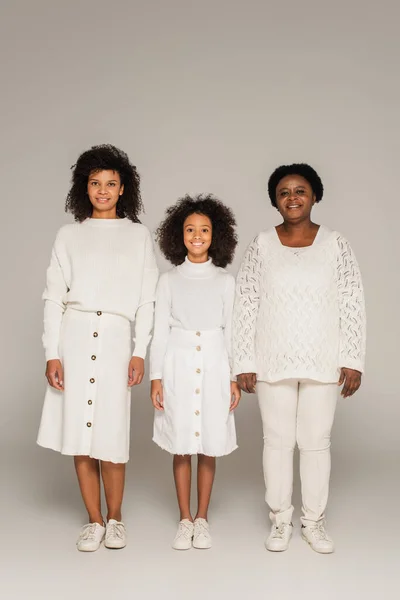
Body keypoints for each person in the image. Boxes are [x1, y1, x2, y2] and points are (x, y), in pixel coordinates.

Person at [233, 163, 366, 554]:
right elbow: (246, 302)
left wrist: (353, 358)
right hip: (272, 357)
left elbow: (351, 300)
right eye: (284, 192)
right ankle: (280, 520)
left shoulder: (336, 244)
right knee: (276, 442)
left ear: (315, 196)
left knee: (315, 442)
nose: (292, 198)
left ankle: (314, 522)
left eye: (300, 191)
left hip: (323, 358)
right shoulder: (261, 245)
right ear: (275, 201)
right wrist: (244, 359)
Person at [37, 144, 158, 552]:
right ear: (83, 187)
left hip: (116, 340)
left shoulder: (138, 234)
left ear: (123, 188)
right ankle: (94, 520)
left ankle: (116, 518)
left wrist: (140, 349)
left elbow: (147, 298)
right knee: (79, 432)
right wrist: (52, 352)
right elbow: (54, 297)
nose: (102, 190)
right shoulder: (69, 235)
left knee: (111, 432)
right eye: (94, 183)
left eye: (110, 183)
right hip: (75, 333)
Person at [150, 194, 240, 550]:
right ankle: (184, 518)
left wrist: (233, 377)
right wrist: (157, 377)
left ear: (215, 235)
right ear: (179, 235)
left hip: (215, 365)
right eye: (190, 229)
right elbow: (159, 332)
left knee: (209, 445)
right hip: (179, 364)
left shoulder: (224, 281)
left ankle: (202, 518)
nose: (197, 235)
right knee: (182, 443)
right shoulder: (168, 280)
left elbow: (232, 331)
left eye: (204, 229)